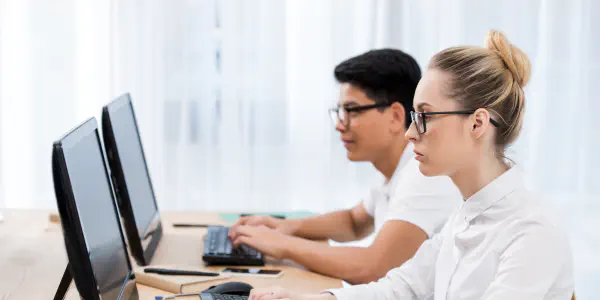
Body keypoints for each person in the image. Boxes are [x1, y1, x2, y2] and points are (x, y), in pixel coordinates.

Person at [248, 30, 574, 299]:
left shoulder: (532, 232)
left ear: (477, 124)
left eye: (424, 117)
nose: (409, 133)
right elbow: (403, 287)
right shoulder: (466, 215)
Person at [228, 49, 461, 284]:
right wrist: (286, 227)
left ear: (395, 116)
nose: (340, 124)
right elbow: (354, 222)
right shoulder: (396, 168)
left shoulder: (424, 175)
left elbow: (375, 267)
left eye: (351, 111)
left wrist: (282, 245)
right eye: (340, 112)